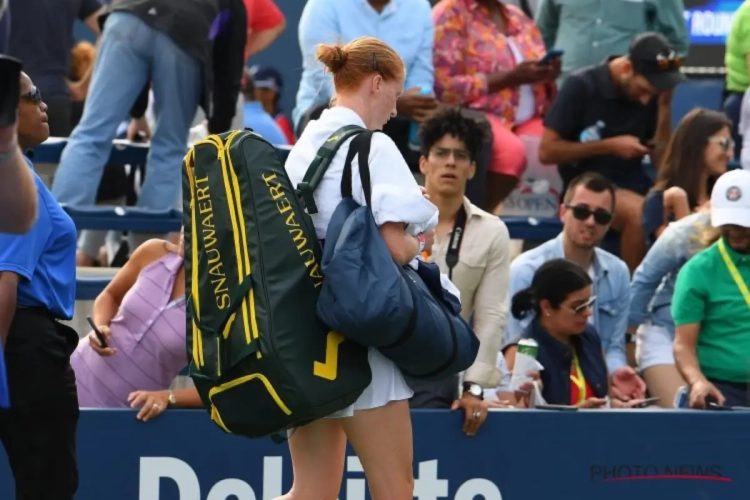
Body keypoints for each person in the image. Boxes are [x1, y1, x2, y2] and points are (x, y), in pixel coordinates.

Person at [281, 36, 434, 499]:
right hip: (363, 343)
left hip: (306, 342)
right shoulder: (376, 147)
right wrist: (419, 236)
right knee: (396, 489)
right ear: (375, 82)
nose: (396, 105)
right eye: (395, 91)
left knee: (311, 492)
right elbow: (394, 249)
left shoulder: (304, 145)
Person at [539, 32, 684, 271]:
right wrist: (609, 145)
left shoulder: (652, 97)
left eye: (654, 93)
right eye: (644, 90)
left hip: (635, 183)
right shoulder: (582, 86)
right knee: (639, 213)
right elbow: (547, 151)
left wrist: (664, 107)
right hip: (587, 183)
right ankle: (631, 294)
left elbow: (662, 162)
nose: (646, 100)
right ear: (627, 68)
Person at [0, 72, 79, 498]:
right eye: (33, 97)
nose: (45, 104)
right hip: (23, 349)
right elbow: (4, 280)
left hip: (18, 344)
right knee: (48, 487)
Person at [413, 107, 511, 435]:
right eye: (441, 153)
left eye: (460, 155)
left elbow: (490, 316)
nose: (450, 162)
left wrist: (475, 388)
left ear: (472, 168)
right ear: (423, 162)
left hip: (439, 371)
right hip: (379, 362)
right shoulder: (390, 216)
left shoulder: (492, 231)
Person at [432, 0, 559, 210]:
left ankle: (534, 234)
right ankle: (472, 218)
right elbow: (444, 88)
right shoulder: (449, 14)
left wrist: (548, 72)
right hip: (477, 113)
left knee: (556, 143)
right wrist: (509, 77)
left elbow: (537, 64)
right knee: (512, 154)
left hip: (529, 115)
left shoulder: (517, 16)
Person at [506, 173, 633, 376]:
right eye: (582, 212)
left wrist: (618, 375)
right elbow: (520, 348)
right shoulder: (525, 270)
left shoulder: (619, 272)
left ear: (610, 223)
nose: (591, 222)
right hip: (540, 384)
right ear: (563, 212)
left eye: (601, 216)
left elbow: (614, 348)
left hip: (597, 385)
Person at [70, 233, 203, 421]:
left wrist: (169, 397)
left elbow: (227, 388)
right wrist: (100, 326)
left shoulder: (223, 305)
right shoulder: (153, 251)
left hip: (128, 416)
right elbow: (110, 295)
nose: (185, 231)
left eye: (196, 222)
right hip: (71, 376)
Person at [505, 259, 646, 408]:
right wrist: (576, 414)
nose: (588, 313)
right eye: (578, 307)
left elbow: (606, 399)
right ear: (546, 307)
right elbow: (516, 420)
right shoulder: (521, 351)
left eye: (589, 303)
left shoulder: (590, 336)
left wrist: (622, 406)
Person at [673, 169, 750, 408]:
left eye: (743, 223)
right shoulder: (698, 271)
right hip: (721, 391)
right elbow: (683, 344)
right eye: (728, 223)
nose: (735, 231)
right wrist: (697, 382)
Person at [629, 210, 710, 407]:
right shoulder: (684, 232)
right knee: (686, 416)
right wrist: (627, 347)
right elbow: (644, 281)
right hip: (667, 335)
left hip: (721, 347)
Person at [8, 0, 105, 136]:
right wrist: (83, 86)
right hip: (55, 99)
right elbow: (112, 28)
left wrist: (83, 86)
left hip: (12, 100)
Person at [535, 0, 689, 82]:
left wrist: (654, 85)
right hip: (564, 92)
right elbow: (541, 35)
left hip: (626, 99)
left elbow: (676, 42)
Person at [642, 109, 732, 248]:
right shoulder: (659, 200)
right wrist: (683, 206)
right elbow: (675, 254)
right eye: (724, 144)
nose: (729, 154)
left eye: (731, 146)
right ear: (699, 143)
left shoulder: (725, 197)